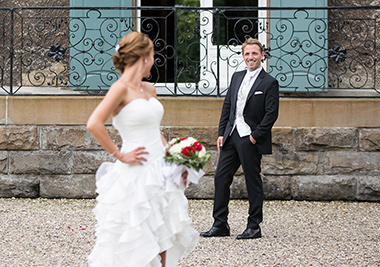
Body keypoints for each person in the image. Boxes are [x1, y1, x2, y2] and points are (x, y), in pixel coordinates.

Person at [86, 31, 198, 266]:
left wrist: (176, 160)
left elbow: (156, 129)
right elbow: (94, 123)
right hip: (136, 171)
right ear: (144, 57)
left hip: (161, 167)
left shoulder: (150, 89)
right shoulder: (120, 89)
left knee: (166, 230)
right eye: (153, 55)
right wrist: (119, 154)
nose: (154, 60)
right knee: (139, 233)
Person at [200, 38, 279, 240]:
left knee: (252, 180)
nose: (250, 57)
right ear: (243, 56)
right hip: (231, 135)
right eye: (247, 54)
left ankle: (254, 226)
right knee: (221, 178)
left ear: (262, 55)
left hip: (249, 138)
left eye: (254, 53)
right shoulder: (236, 77)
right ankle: (220, 224)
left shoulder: (269, 82)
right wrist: (221, 133)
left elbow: (271, 114)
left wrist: (255, 137)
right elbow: (228, 107)